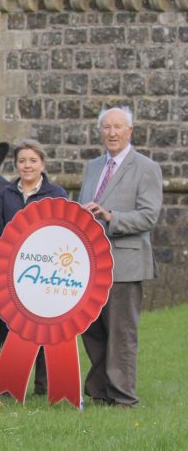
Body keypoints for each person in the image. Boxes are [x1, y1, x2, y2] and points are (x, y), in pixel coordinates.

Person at [0, 138, 68, 395]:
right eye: (22, 161)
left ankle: (44, 386)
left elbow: (65, 230)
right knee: (16, 328)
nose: (27, 166)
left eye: (33, 161)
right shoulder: (6, 194)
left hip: (47, 272)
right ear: (16, 165)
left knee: (46, 329)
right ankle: (12, 384)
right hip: (18, 272)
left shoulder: (57, 194)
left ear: (42, 163)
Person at [78, 106, 162, 408]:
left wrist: (111, 217)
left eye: (118, 127)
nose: (112, 133)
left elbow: (149, 216)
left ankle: (124, 397)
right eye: (107, 127)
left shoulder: (146, 167)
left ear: (130, 131)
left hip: (124, 264)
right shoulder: (92, 167)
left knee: (121, 333)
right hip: (91, 265)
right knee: (92, 330)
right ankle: (101, 392)